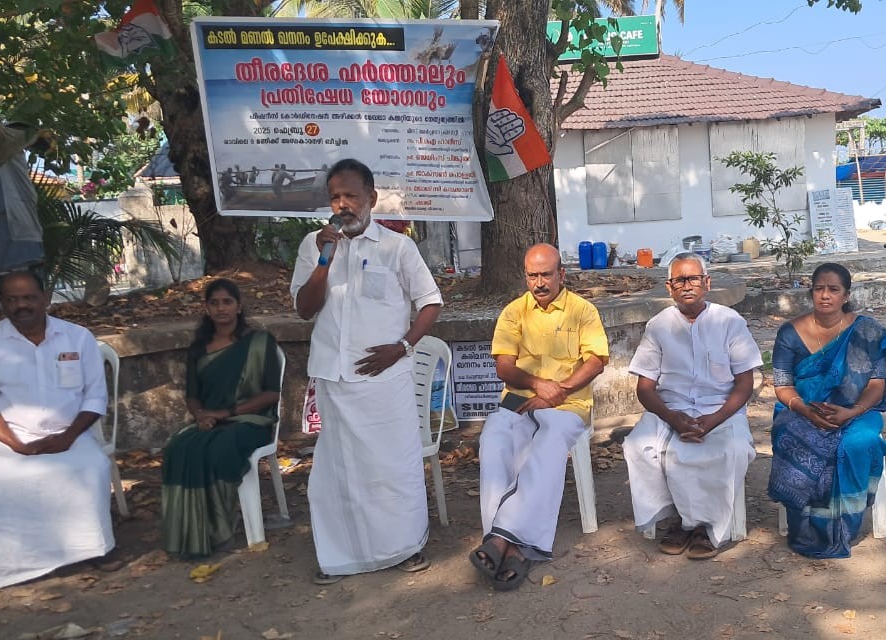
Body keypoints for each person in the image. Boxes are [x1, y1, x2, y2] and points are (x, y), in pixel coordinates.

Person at [290, 158, 443, 583]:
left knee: (392, 468)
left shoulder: (397, 248)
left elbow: (430, 302)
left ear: (371, 198)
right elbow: (304, 309)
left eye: (351, 196)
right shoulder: (313, 245)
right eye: (335, 197)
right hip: (335, 380)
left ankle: (405, 547)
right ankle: (342, 556)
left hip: (385, 382)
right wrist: (324, 261)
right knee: (339, 472)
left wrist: (402, 347)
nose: (343, 205)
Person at [0, 271, 115, 591]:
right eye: (12, 299)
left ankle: (90, 549)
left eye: (29, 297)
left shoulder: (78, 337)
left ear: (45, 298)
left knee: (91, 467)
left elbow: (96, 397)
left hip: (71, 433)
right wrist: (18, 445)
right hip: (8, 439)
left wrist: (68, 437)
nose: (22, 305)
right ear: (2, 303)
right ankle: (11, 561)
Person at [469, 244, 608, 591]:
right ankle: (505, 537)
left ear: (562, 274)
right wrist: (537, 385)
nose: (540, 283)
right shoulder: (514, 312)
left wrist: (558, 391)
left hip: (568, 402)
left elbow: (596, 361)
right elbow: (504, 367)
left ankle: (507, 543)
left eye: (546, 274)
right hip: (520, 398)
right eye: (533, 276)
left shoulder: (583, 311)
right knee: (494, 439)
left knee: (548, 444)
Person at [623, 252, 763, 559]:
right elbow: (644, 388)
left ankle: (705, 528)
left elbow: (745, 383)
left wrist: (714, 419)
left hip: (721, 408)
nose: (687, 286)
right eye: (679, 280)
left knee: (732, 450)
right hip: (670, 408)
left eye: (694, 279)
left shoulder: (730, 322)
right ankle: (681, 520)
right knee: (637, 446)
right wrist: (673, 417)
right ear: (669, 287)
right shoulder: (659, 325)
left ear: (707, 283)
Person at [768, 263, 886, 559]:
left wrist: (850, 412)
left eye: (833, 289)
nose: (825, 295)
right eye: (819, 289)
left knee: (858, 443)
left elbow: (877, 385)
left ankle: (843, 525)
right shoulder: (789, 333)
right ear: (811, 293)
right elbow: (783, 386)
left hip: (856, 411)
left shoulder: (867, 332)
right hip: (801, 409)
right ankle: (807, 527)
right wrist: (806, 411)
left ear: (846, 295)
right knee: (795, 439)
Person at [161, 278, 283, 558]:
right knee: (178, 448)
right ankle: (189, 531)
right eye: (214, 303)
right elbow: (192, 395)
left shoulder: (259, 342)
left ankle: (219, 527)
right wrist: (200, 416)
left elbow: (271, 394)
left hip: (252, 421)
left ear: (239, 306)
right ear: (206, 308)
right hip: (210, 421)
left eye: (227, 302)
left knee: (220, 449)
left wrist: (226, 413)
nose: (221, 308)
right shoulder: (199, 349)